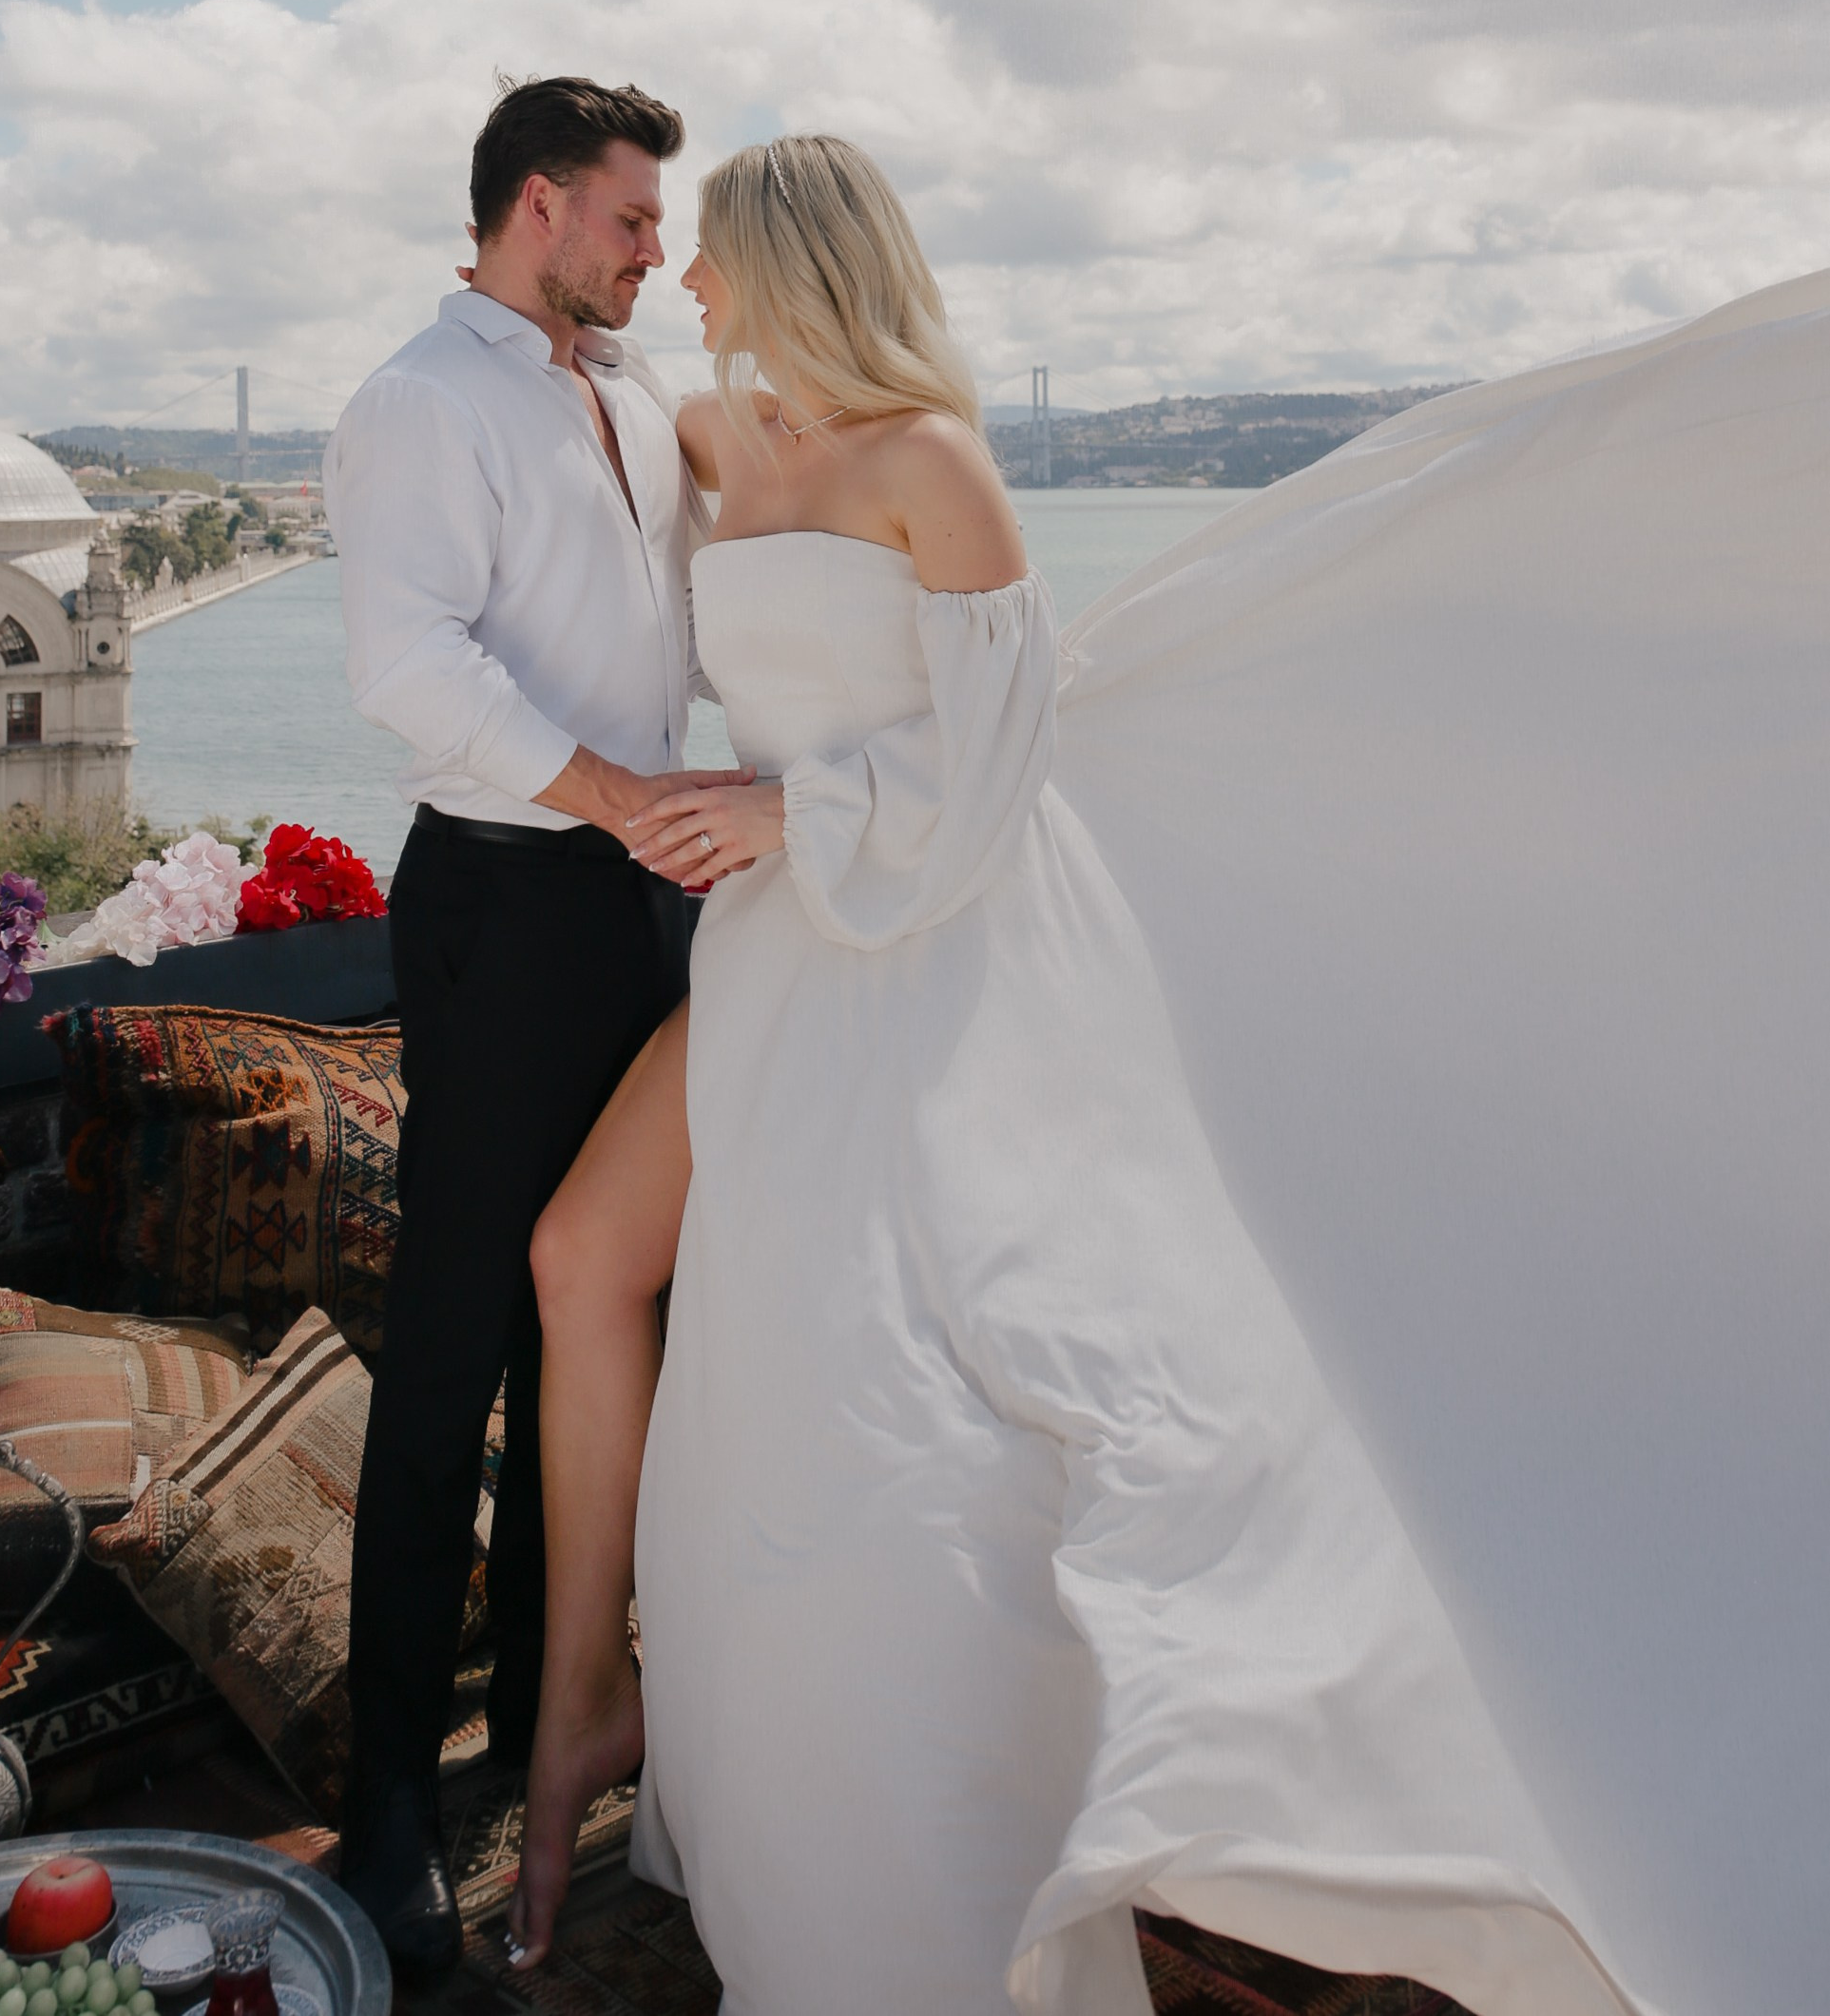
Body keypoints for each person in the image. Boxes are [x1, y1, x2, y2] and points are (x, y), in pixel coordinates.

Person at [505, 136, 1830, 2012]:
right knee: (715, 1339)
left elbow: (997, 767)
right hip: (769, 966)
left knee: (877, 1401)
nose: (690, 286)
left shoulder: (933, 468)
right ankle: (648, 1733)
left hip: (913, 950)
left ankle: (926, 1866)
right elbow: (558, 390)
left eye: (710, 255)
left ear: (793, 262)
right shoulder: (715, 440)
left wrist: (789, 807)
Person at [323, 73, 732, 1975]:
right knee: (456, 1341)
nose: (658, 247)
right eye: (636, 216)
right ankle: (395, 1798)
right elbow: (411, 667)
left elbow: (680, 643)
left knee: (606, 1311)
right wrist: (615, 798)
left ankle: (550, 1723)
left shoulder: (639, 399)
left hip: (652, 896)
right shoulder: (419, 401)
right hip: (511, 899)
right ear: (543, 208)